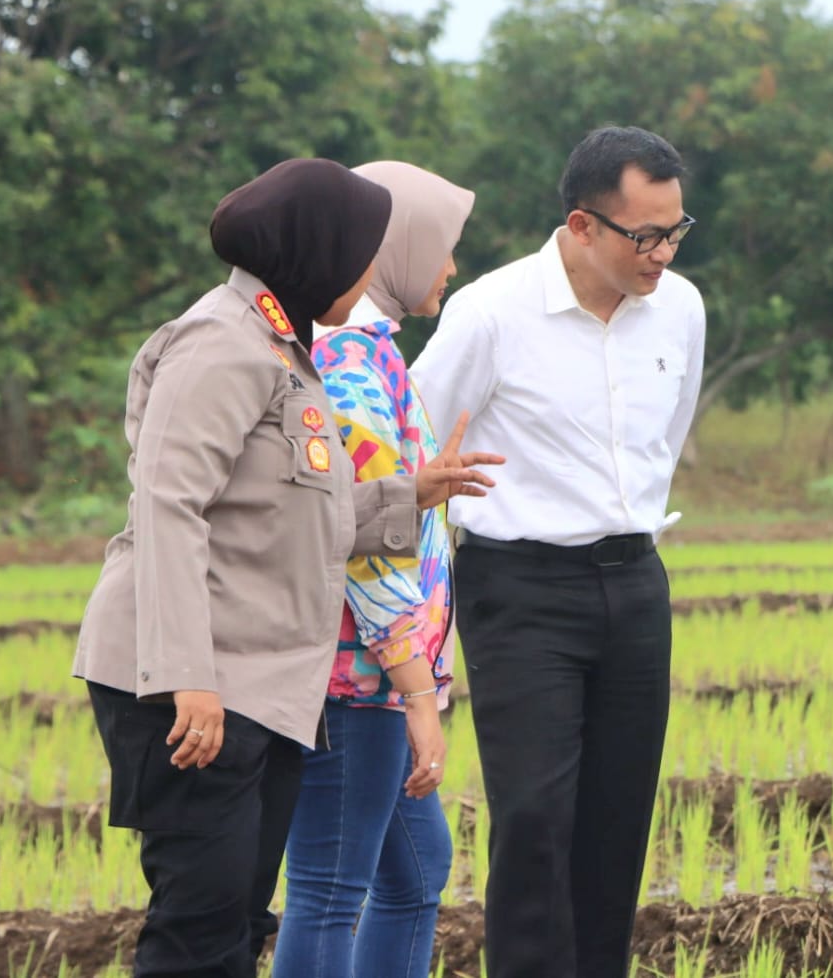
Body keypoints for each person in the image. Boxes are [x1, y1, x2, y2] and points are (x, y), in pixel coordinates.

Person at [73, 158, 500, 978]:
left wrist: (410, 495)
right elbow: (169, 507)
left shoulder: (285, 349)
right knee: (199, 929)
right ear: (320, 251)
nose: (371, 272)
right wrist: (186, 677)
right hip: (192, 685)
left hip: (256, 686)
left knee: (235, 922)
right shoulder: (220, 342)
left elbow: (298, 518)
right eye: (361, 252)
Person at [411, 126, 704, 978]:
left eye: (676, 231)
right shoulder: (491, 312)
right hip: (521, 587)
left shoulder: (679, 307)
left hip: (636, 583)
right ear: (582, 226)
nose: (662, 253)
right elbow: (419, 448)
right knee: (536, 818)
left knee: (617, 823)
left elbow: (667, 437)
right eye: (644, 235)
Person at [274, 161, 476, 977]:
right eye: (444, 246)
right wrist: (416, 690)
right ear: (390, 245)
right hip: (355, 677)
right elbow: (362, 540)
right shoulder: (352, 365)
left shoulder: (372, 354)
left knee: (417, 872)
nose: (452, 267)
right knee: (329, 888)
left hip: (375, 674)